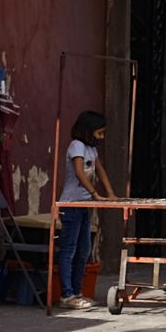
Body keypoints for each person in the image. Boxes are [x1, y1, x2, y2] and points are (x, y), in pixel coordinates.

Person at [57, 111, 113, 311]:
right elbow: (80, 172)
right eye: (99, 133)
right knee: (69, 250)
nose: (101, 137)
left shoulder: (91, 150)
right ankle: (67, 294)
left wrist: (111, 193)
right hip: (71, 205)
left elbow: (100, 170)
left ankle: (78, 291)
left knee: (84, 251)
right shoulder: (77, 146)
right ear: (89, 131)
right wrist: (95, 193)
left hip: (84, 206)